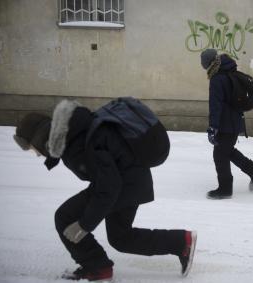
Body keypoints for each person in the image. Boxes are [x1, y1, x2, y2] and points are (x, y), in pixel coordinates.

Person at [13, 100, 197, 281]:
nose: (34, 153)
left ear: (39, 138)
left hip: (124, 184)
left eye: (30, 147)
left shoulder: (76, 143)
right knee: (121, 238)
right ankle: (181, 242)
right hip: (130, 180)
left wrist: (85, 224)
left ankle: (97, 267)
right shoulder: (72, 134)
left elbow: (109, 186)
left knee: (65, 217)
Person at [200, 49, 253, 200]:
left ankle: (225, 189)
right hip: (234, 122)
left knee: (219, 155)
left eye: (202, 62)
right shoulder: (229, 72)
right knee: (227, 151)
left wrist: (213, 127)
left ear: (208, 63)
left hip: (225, 124)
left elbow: (215, 105)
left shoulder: (217, 78)